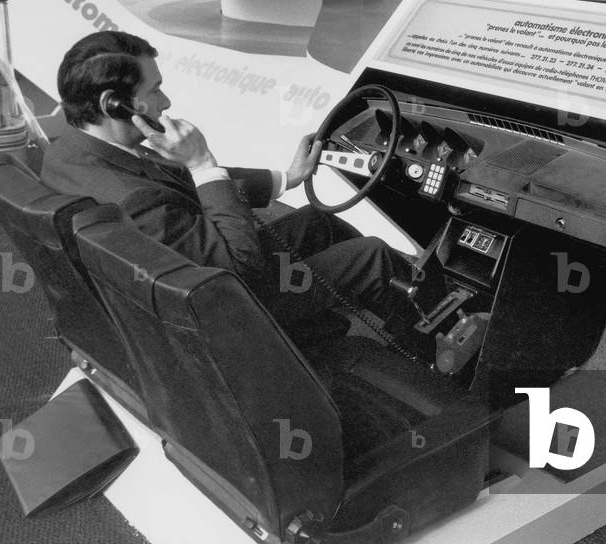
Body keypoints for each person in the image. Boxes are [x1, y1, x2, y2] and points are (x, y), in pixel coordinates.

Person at [41, 30, 425, 346]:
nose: (166, 101)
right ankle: (429, 347)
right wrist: (201, 162)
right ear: (113, 104)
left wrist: (286, 177)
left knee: (318, 222)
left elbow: (179, 181)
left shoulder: (69, 152)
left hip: (182, 278)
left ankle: (379, 318)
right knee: (374, 256)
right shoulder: (134, 200)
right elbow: (239, 266)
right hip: (227, 314)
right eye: (155, 90)